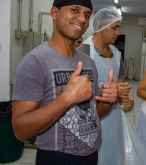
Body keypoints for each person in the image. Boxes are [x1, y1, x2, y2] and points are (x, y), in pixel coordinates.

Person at [12, 1, 118, 165]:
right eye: (74, 10)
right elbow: (21, 131)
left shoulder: (88, 63)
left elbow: (93, 113)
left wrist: (108, 100)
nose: (82, 19)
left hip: (91, 156)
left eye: (87, 15)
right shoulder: (34, 62)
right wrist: (67, 98)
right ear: (54, 13)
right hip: (57, 159)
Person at [77, 8, 146, 165]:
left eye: (119, 28)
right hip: (90, 116)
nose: (118, 33)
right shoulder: (83, 52)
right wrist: (107, 91)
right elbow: (76, 92)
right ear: (100, 27)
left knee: (113, 155)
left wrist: (126, 99)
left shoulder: (117, 54)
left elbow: (121, 85)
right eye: (115, 28)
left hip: (113, 118)